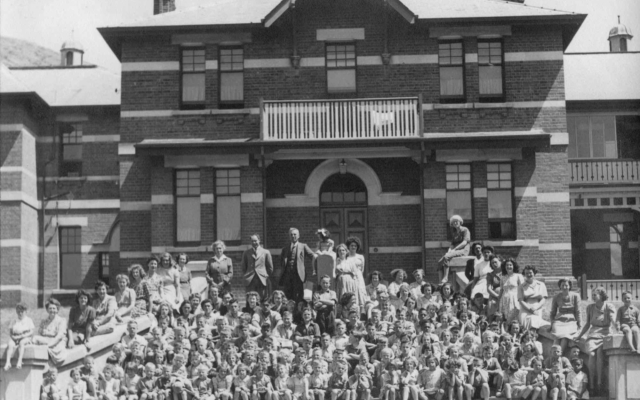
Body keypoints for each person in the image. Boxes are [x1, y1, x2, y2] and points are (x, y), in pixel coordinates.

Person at [573, 286, 616, 396]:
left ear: (601, 296)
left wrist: (618, 329)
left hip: (605, 333)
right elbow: (587, 324)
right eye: (592, 295)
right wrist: (579, 336)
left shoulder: (609, 306)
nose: (592, 297)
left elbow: (613, 320)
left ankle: (599, 384)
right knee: (592, 354)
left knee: (600, 352)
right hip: (593, 334)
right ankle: (592, 384)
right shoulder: (590, 307)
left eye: (594, 295)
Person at [280, 227, 317, 304]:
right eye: (291, 235)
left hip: (298, 275)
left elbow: (312, 256)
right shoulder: (285, 249)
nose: (293, 236)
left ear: (298, 235)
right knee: (288, 294)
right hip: (288, 276)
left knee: (298, 295)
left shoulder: (303, 246)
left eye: (295, 234)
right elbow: (282, 262)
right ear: (289, 236)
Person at [549, 279, 582, 354]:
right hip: (559, 321)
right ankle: (552, 355)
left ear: (570, 286)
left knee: (565, 337)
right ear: (560, 286)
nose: (564, 287)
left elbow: (578, 311)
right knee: (557, 337)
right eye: (562, 285)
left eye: (566, 285)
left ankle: (559, 354)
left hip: (571, 321)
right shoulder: (556, 297)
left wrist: (580, 325)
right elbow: (552, 312)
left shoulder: (575, 296)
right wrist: (551, 323)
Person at [33, 298, 68, 366]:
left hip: (57, 342)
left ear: (57, 310)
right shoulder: (44, 321)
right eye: (50, 308)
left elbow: (59, 336)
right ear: (47, 310)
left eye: (54, 308)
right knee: (35, 338)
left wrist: (49, 345)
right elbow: (39, 334)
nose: (52, 310)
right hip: (46, 341)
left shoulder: (61, 321)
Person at [438, 215, 471, 284]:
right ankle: (440, 281)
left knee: (447, 257)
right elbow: (452, 244)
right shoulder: (455, 233)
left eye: (456, 221)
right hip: (455, 251)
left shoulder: (465, 230)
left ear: (460, 222)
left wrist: (454, 249)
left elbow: (464, 242)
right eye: (453, 222)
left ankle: (445, 277)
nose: (455, 223)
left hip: (463, 250)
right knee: (440, 261)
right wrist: (449, 250)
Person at [335, 244, 367, 313]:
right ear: (337, 252)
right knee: (342, 299)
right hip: (340, 284)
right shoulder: (336, 262)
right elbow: (334, 274)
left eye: (343, 250)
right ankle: (343, 314)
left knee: (351, 299)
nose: (341, 252)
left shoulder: (350, 261)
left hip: (350, 283)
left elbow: (355, 274)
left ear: (346, 251)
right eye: (339, 250)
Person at [241, 234, 274, 301]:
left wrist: (265, 275)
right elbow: (243, 267)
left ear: (259, 240)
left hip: (262, 280)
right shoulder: (246, 253)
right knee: (250, 299)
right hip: (250, 280)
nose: (254, 243)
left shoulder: (265, 252)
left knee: (262, 299)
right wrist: (248, 275)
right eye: (252, 241)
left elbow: (270, 268)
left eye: (255, 241)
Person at [3, 302, 34, 370]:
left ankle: (19, 361)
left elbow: (31, 332)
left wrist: (21, 336)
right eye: (18, 312)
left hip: (25, 337)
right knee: (10, 344)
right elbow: (10, 331)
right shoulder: (14, 320)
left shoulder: (28, 320)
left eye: (22, 312)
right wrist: (12, 337)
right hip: (15, 337)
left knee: (21, 343)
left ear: (25, 312)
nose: (20, 313)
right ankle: (8, 362)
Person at [517, 265, 549, 330]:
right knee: (527, 322)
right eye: (526, 273)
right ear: (524, 274)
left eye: (530, 273)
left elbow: (544, 298)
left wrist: (535, 308)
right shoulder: (521, 286)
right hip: (525, 308)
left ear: (534, 273)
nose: (529, 275)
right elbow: (521, 300)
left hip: (537, 307)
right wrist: (530, 309)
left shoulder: (541, 284)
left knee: (535, 321)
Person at [498, 258, 524, 326]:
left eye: (510, 265)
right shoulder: (502, 277)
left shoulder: (518, 276)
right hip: (504, 299)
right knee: (505, 318)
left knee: (515, 317)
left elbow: (522, 289)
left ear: (514, 266)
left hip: (515, 299)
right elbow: (501, 290)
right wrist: (499, 301)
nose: (508, 267)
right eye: (507, 265)